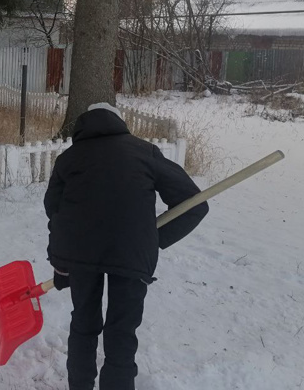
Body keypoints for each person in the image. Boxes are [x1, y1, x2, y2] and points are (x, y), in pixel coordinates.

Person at [44, 103, 209, 390]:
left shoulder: (69, 159)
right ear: (121, 123)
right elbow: (194, 204)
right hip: (131, 255)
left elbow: (54, 210)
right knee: (122, 330)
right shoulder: (145, 152)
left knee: (83, 324)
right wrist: (153, 241)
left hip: (81, 255)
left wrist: (62, 262)